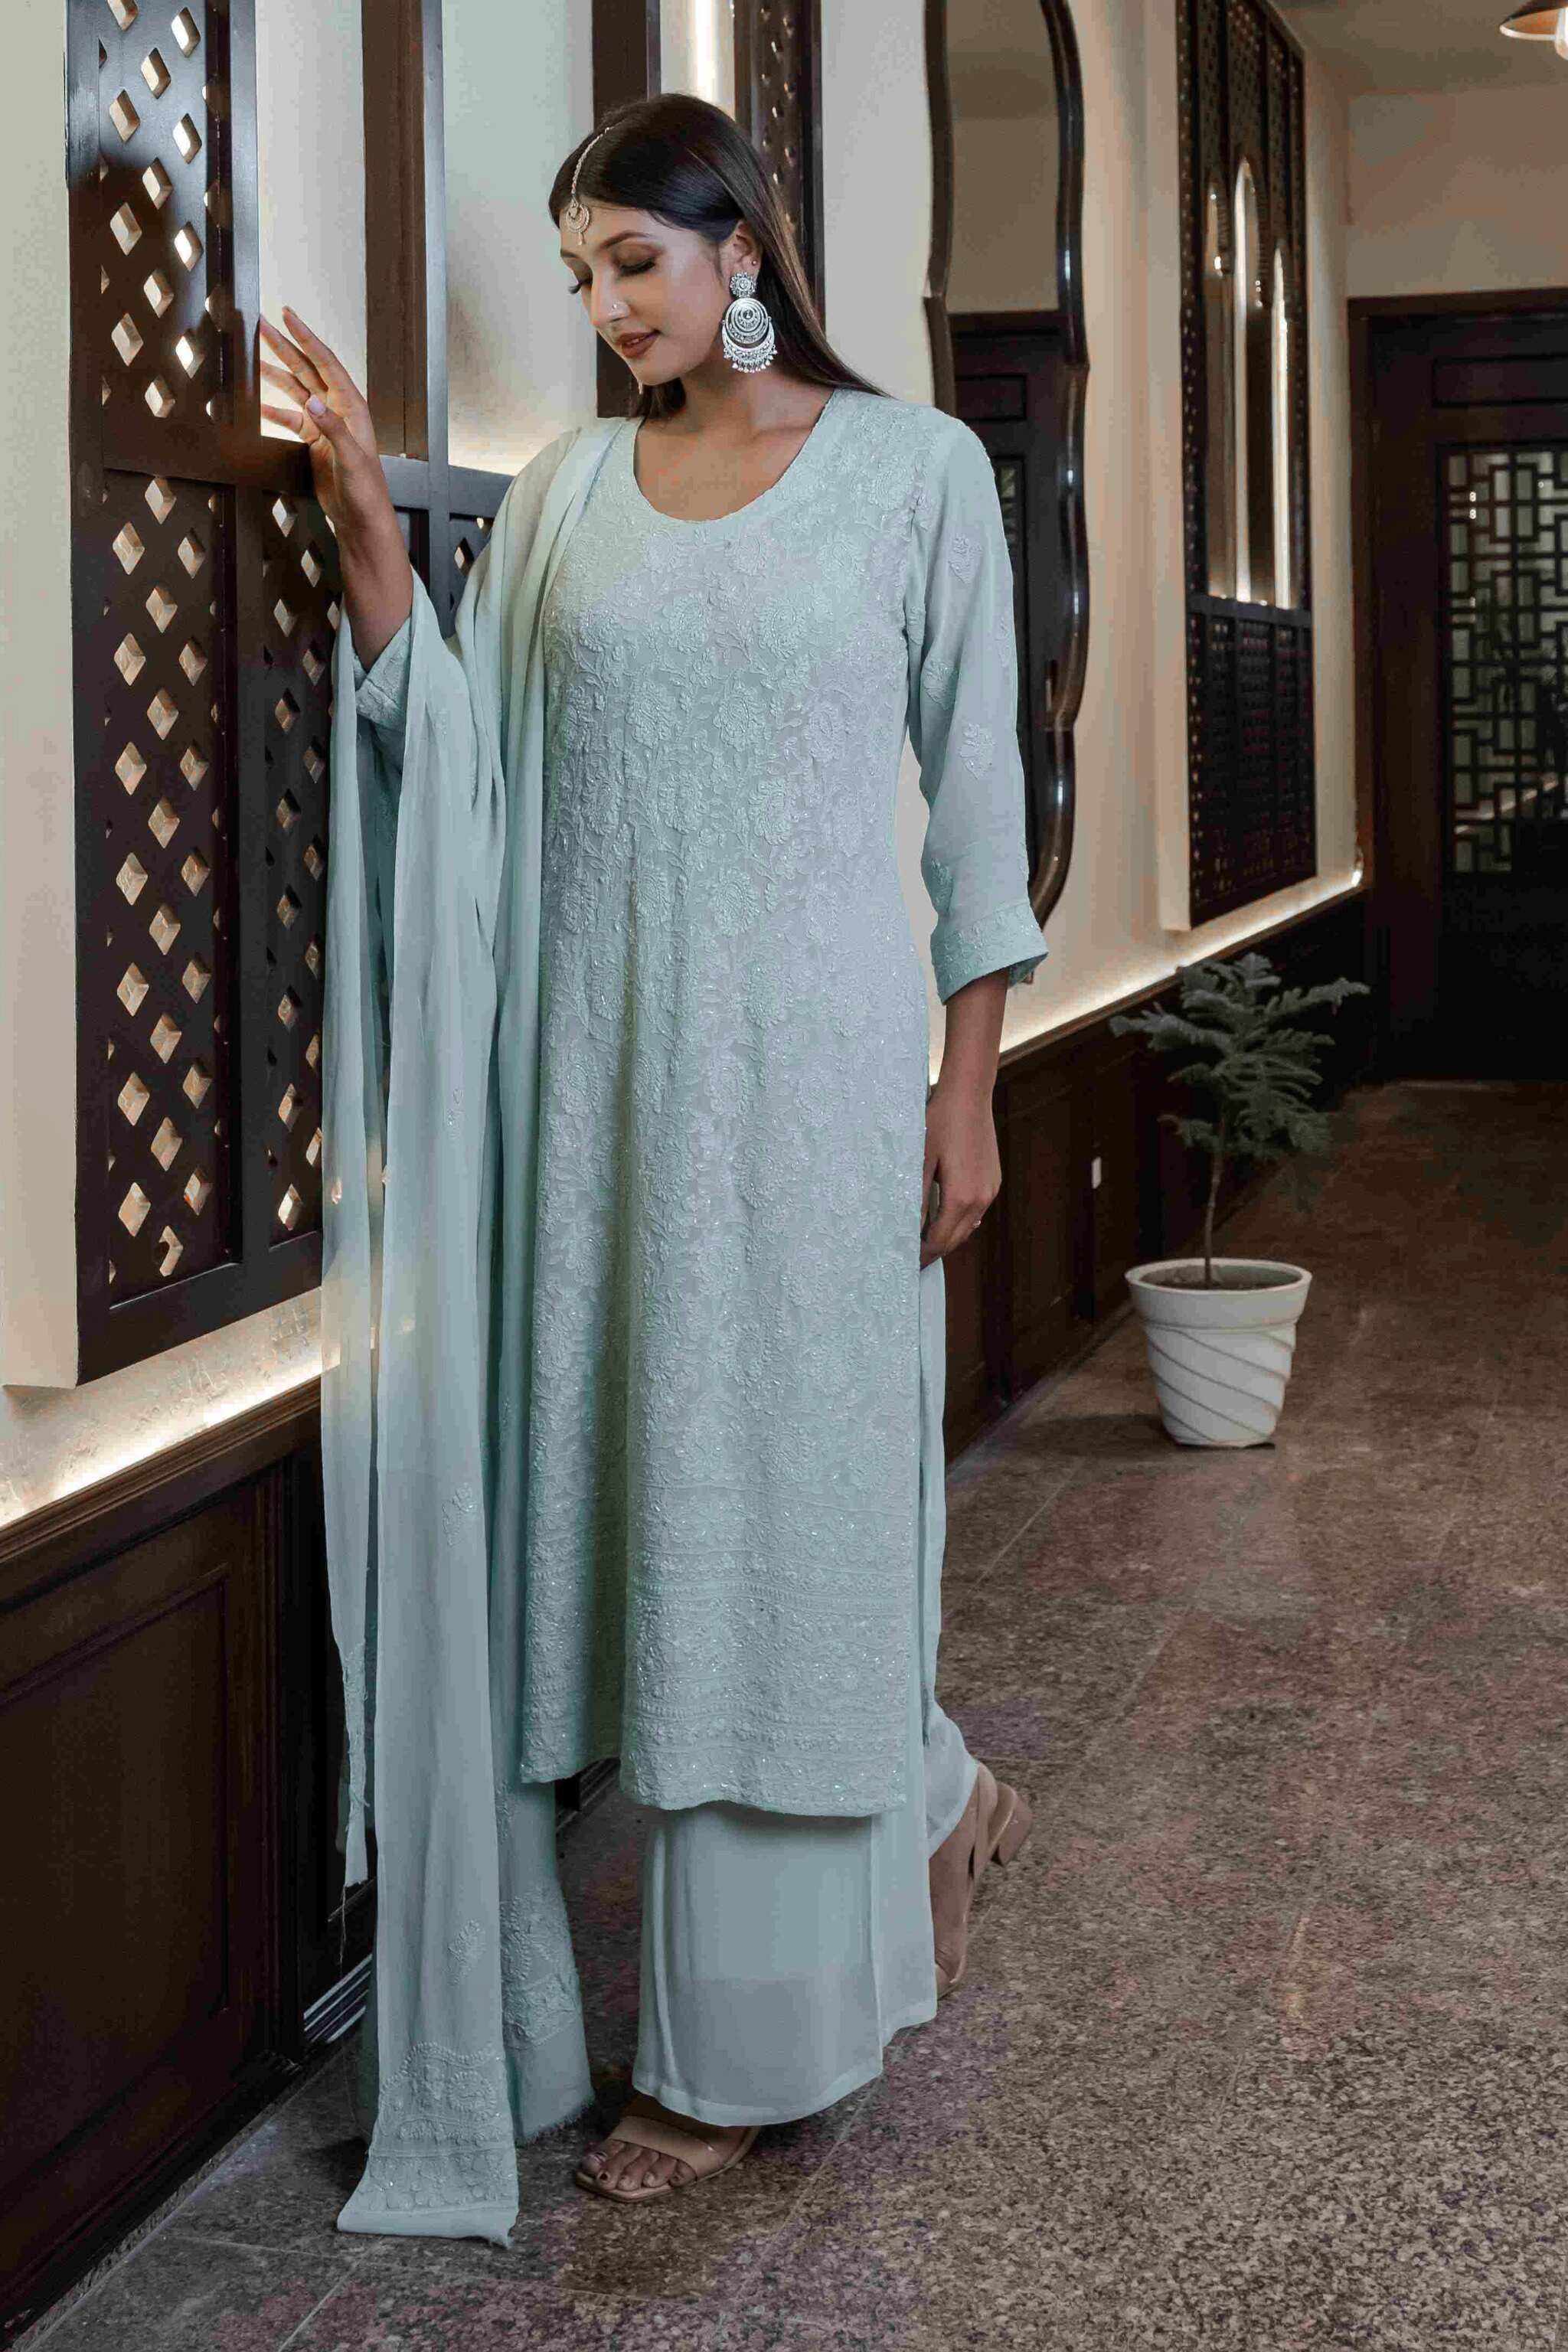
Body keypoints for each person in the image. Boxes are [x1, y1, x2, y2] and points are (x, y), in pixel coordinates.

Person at [288, 93, 1045, 2228]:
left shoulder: (914, 475)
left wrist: (969, 1085)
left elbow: (980, 810)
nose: (613, 307)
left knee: (786, 1538)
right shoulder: (561, 511)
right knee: (654, 1534)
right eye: (584, 276)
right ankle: (942, 1804)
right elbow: (471, 779)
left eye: (638, 260)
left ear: (742, 249)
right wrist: (363, 532)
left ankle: (745, 2054)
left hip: (815, 1102)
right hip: (599, 1109)